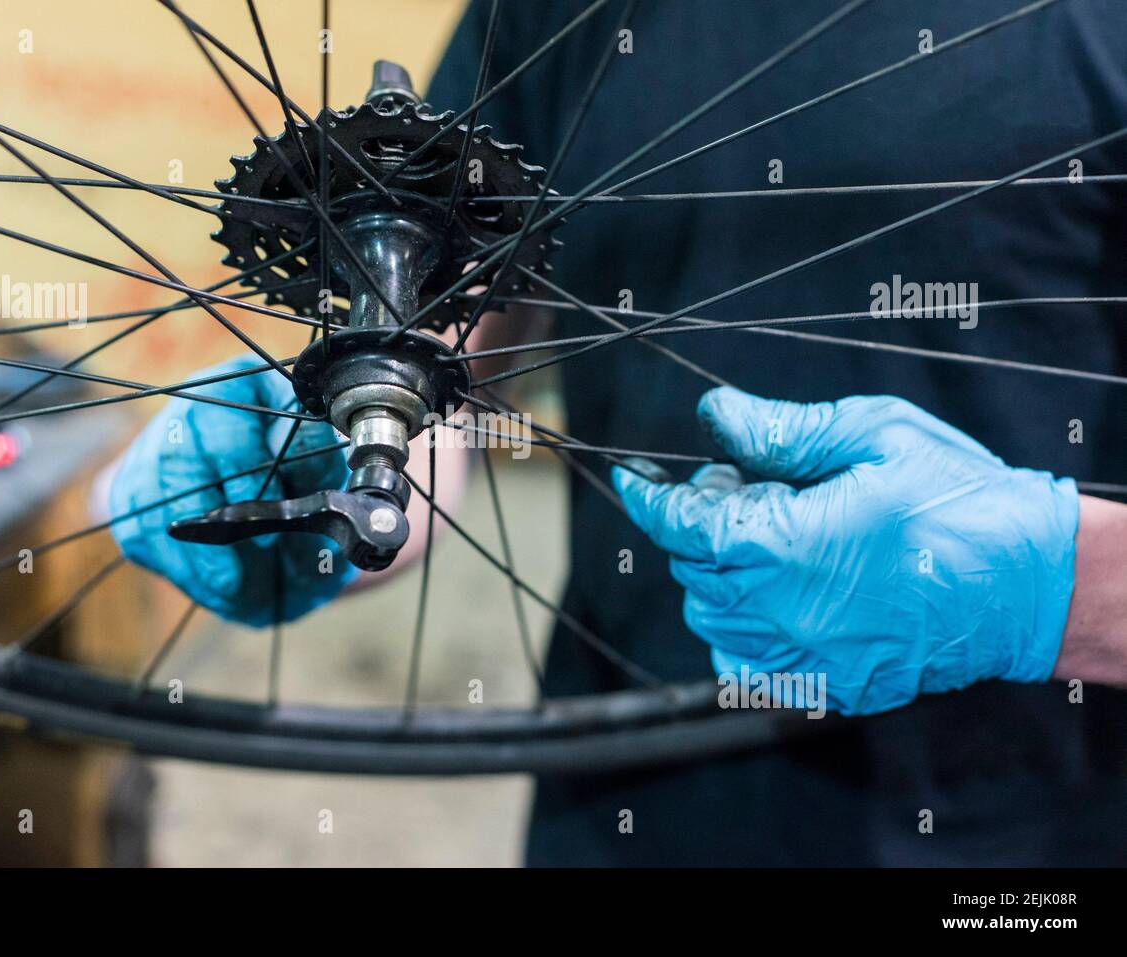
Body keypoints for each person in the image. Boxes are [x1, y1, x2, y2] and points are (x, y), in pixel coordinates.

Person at [111, 0, 1127, 865]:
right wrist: (334, 453)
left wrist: (1045, 589)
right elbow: (450, 362)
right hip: (617, 800)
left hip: (1026, 835)